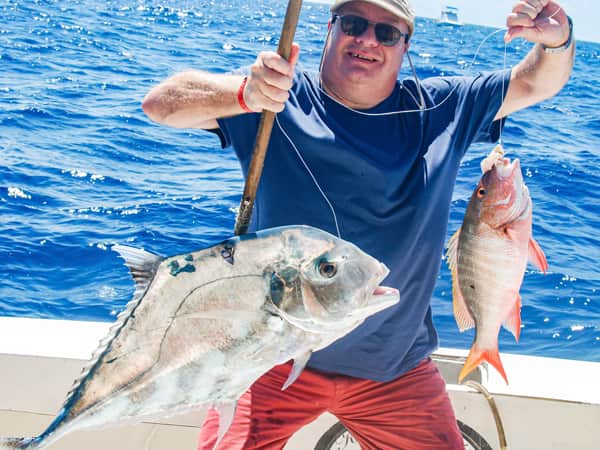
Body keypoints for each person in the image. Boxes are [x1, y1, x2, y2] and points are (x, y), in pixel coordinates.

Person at [142, 0, 575, 448]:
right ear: (330, 29)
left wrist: (558, 41)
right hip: (268, 352)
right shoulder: (276, 98)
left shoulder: (442, 109)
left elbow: (534, 82)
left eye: (387, 33)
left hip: (393, 370)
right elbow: (161, 104)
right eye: (353, 23)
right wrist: (242, 95)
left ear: (405, 45)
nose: (367, 40)